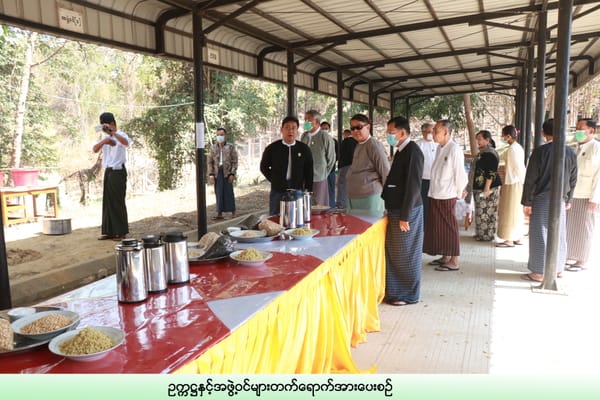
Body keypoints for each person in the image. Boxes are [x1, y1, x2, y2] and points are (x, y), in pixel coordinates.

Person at [521, 119, 578, 282]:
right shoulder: (570, 152)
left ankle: (539, 272)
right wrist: (569, 198)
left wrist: (527, 201)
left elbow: (531, 178)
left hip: (541, 197)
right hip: (560, 197)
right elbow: (574, 178)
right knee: (559, 233)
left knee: (540, 233)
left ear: (543, 133)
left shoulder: (540, 152)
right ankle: (558, 268)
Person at [381, 116, 424, 306]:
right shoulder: (401, 150)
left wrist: (405, 216)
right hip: (395, 208)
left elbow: (413, 186)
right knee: (396, 251)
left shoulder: (413, 151)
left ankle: (408, 294)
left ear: (403, 132)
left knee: (406, 253)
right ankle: (396, 292)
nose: (389, 136)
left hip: (407, 211)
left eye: (392, 133)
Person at [423, 119, 468, 271]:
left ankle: (454, 260)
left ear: (446, 133)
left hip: (447, 194)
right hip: (435, 192)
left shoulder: (454, 149)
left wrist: (460, 191)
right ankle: (444, 255)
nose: (432, 134)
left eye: (436, 131)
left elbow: (460, 173)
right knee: (438, 227)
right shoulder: (440, 148)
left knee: (449, 227)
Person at [260, 116, 313, 215]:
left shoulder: (304, 149)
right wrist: (275, 179)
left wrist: (308, 190)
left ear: (297, 131)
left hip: (297, 190)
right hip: (278, 191)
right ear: (281, 130)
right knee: (276, 218)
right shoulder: (272, 148)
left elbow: (309, 170)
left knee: (297, 219)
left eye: (293, 128)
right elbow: (263, 167)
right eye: (287, 127)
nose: (290, 131)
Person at [565, 118, 600, 271]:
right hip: (573, 193)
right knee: (571, 227)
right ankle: (570, 255)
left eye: (581, 128)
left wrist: (595, 198)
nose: (577, 131)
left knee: (585, 227)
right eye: (577, 128)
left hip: (587, 195)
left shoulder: (597, 148)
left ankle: (582, 260)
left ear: (591, 131)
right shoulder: (575, 147)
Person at [92, 112, 131, 241]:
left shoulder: (121, 135)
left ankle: (121, 231)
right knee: (108, 202)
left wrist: (112, 133)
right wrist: (105, 139)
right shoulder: (103, 137)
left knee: (117, 201)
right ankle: (109, 231)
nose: (103, 127)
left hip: (118, 171)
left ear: (112, 123)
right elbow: (95, 149)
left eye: (105, 124)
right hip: (108, 171)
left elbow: (125, 143)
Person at [345, 114, 390, 216]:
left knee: (370, 229)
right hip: (354, 197)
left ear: (368, 127)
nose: (355, 131)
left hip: (370, 197)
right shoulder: (358, 145)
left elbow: (385, 171)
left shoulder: (374, 145)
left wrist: (389, 198)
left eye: (359, 127)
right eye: (352, 128)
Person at [496, 125, 526, 247]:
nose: (503, 137)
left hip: (513, 183)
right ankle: (517, 236)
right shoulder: (516, 147)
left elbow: (518, 168)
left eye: (504, 135)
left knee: (510, 210)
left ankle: (509, 238)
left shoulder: (513, 149)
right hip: (515, 182)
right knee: (516, 210)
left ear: (508, 136)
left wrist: (523, 182)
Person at [470, 130, 502, 241]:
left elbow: (491, 172)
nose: (477, 141)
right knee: (480, 210)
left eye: (480, 139)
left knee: (487, 211)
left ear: (487, 140)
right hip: (479, 186)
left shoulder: (490, 153)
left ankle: (487, 235)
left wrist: (487, 187)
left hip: (488, 187)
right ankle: (480, 233)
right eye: (477, 139)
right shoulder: (483, 152)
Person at [301, 110, 336, 207]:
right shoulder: (304, 136)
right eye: (305, 120)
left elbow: (331, 159)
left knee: (319, 205)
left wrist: (323, 173)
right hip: (304, 177)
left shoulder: (324, 136)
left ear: (316, 121)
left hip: (319, 178)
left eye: (309, 120)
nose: (306, 122)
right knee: (306, 205)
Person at [207, 127, 238, 220]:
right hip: (217, 172)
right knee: (218, 192)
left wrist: (232, 173)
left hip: (227, 172)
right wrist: (211, 174)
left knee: (229, 192)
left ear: (225, 136)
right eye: (218, 135)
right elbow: (209, 162)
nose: (220, 137)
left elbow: (235, 161)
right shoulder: (213, 147)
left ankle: (233, 212)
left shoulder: (231, 147)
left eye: (222, 135)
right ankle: (219, 213)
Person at [415, 122, 437, 223]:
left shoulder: (437, 143)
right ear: (423, 132)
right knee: (424, 202)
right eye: (428, 132)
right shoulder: (418, 145)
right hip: (422, 179)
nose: (430, 134)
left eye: (432, 132)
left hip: (436, 179)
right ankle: (423, 223)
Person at [336, 128, 357, 208]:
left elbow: (340, 153)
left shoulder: (346, 141)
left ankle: (341, 203)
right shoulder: (357, 141)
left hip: (345, 165)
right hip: (354, 166)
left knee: (342, 184)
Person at [320, 121, 339, 208]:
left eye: (326, 129)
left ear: (329, 129)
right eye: (323, 128)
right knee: (320, 190)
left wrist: (329, 164)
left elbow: (337, 155)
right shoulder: (317, 141)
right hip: (319, 172)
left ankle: (332, 207)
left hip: (330, 170)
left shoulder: (334, 141)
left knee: (331, 189)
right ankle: (321, 207)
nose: (324, 130)